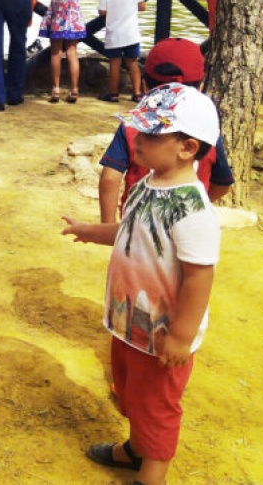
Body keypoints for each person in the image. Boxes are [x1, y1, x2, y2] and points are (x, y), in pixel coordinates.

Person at [60, 82, 223, 485]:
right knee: (132, 393)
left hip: (163, 333)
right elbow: (129, 230)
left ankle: (152, 474)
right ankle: (136, 448)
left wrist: (181, 338)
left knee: (158, 405)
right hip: (131, 323)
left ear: (187, 148)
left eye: (151, 134)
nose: (138, 139)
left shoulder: (193, 208)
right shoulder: (148, 183)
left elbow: (199, 277)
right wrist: (94, 231)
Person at [97, 37, 234, 223]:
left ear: (145, 85)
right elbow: (223, 183)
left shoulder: (132, 126)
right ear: (200, 87)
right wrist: (197, 204)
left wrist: (108, 226)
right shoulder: (206, 130)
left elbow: (110, 178)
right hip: (186, 222)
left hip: (135, 227)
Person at [38, 0, 92, 104]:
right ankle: (74, 89)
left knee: (56, 52)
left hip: (59, 17)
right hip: (74, 18)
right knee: (72, 52)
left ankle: (55, 89)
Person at [96, 0, 148, 103]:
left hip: (114, 35)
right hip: (131, 34)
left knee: (115, 64)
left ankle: (113, 93)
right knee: (133, 62)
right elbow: (142, 6)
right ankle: (137, 93)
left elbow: (102, 12)